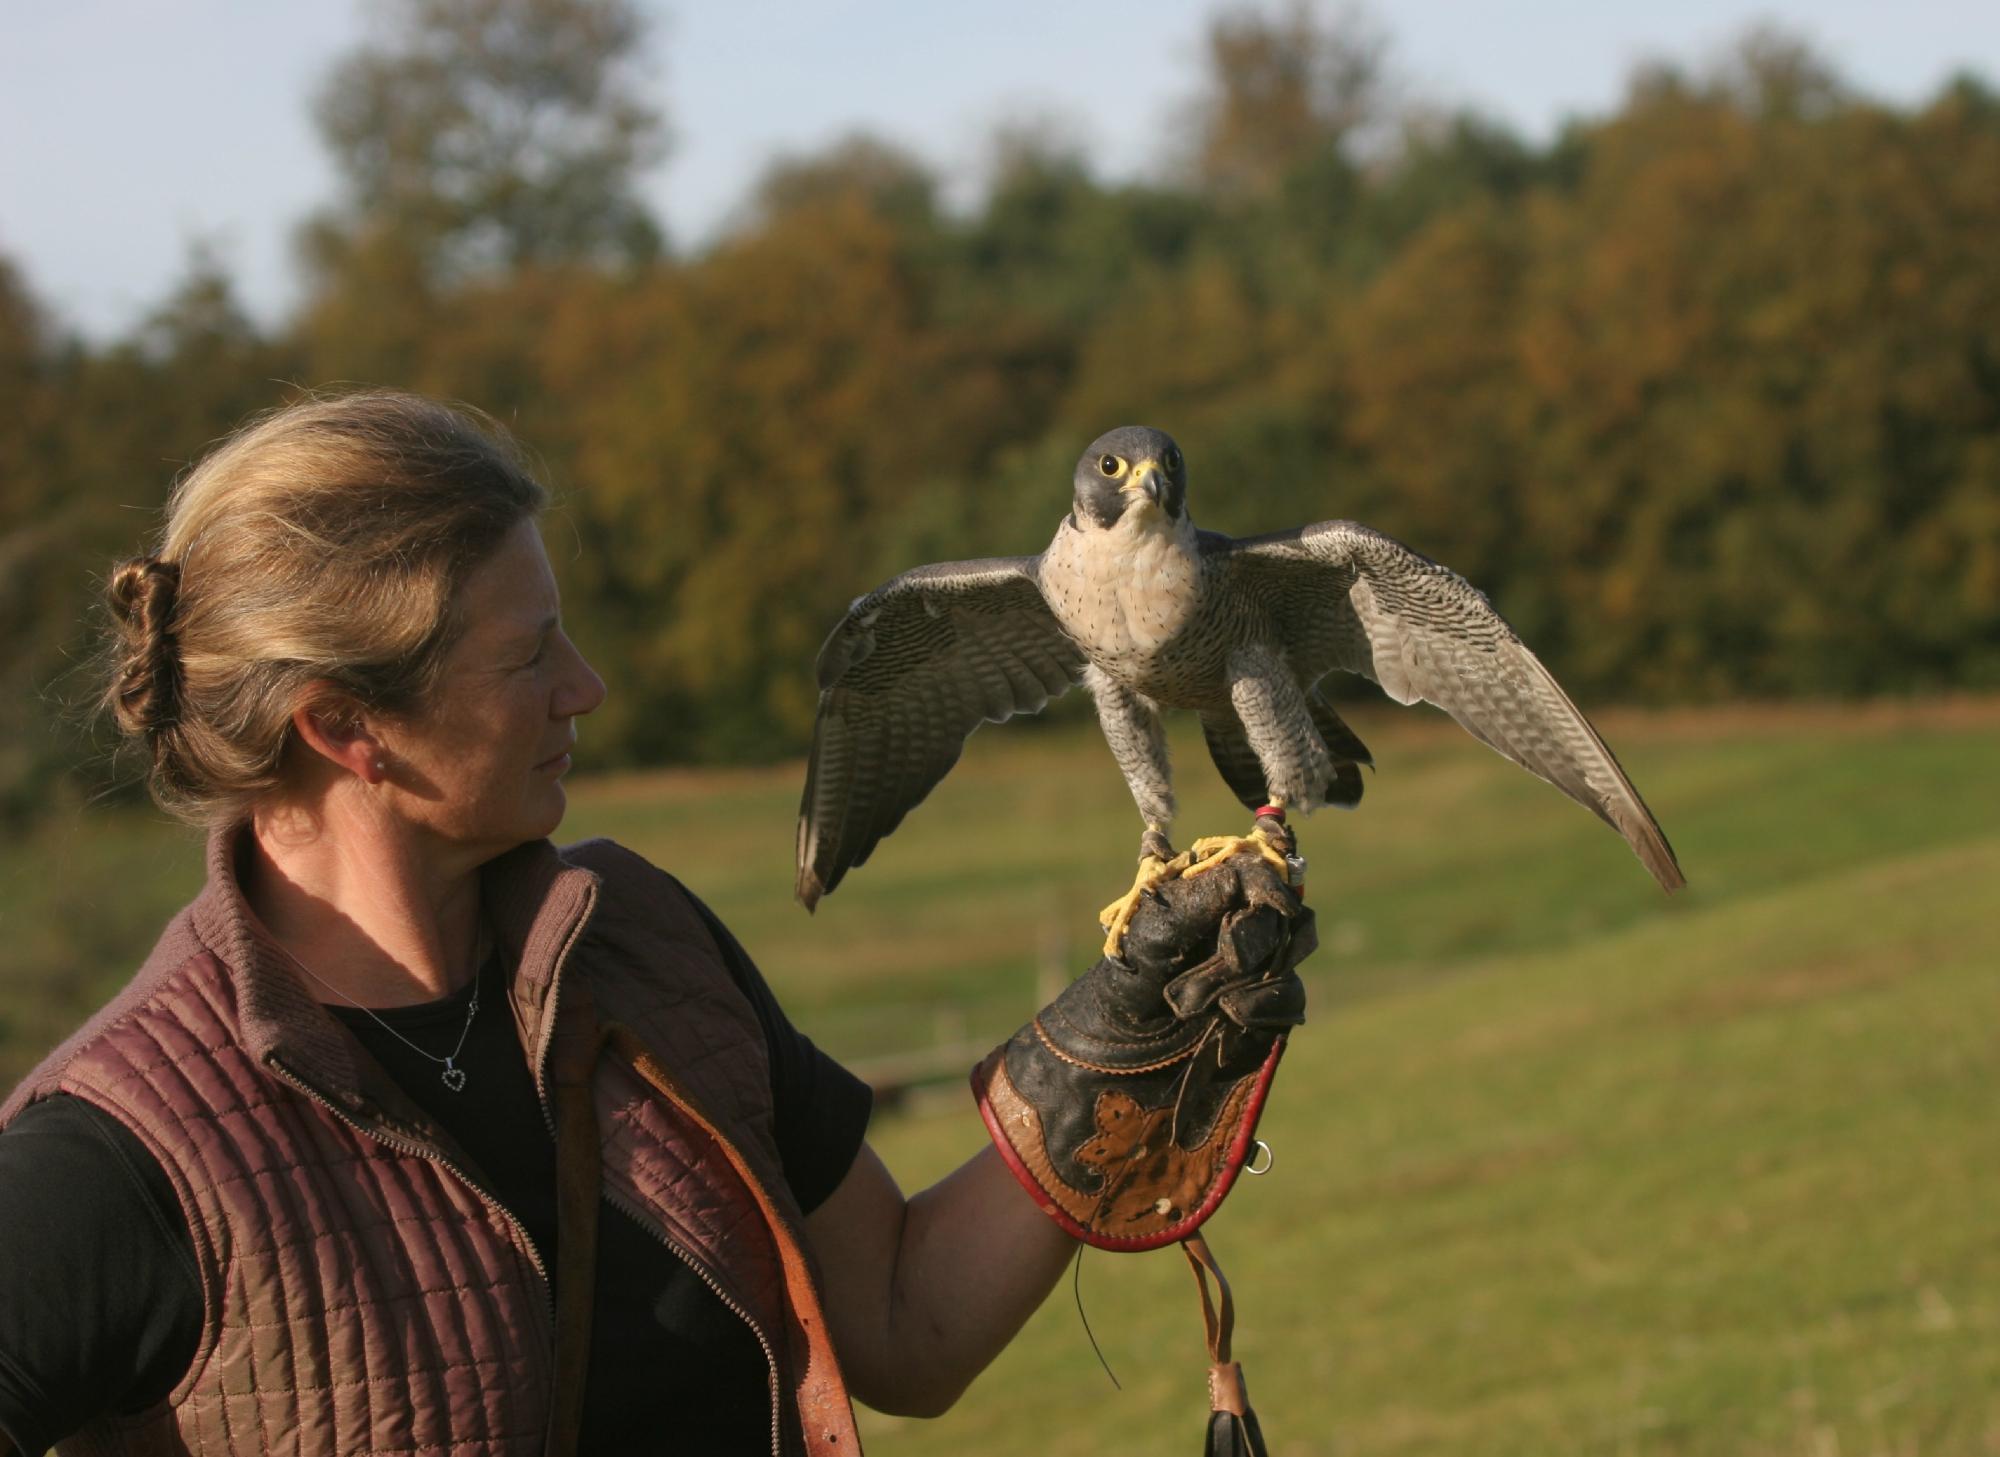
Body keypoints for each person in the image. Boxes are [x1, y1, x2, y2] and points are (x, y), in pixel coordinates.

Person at [0, 390, 1304, 1457]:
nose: (589, 687)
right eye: (528, 657)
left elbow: (905, 1319)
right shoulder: (126, 1148)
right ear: (346, 727)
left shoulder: (642, 944)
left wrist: (1126, 1039)